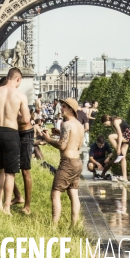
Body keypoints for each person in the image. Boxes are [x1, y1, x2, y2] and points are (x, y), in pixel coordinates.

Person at [0, 67, 31, 215]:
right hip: (11, 133)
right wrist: (14, 119)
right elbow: (26, 119)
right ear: (17, 79)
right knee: (11, 173)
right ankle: (6, 207)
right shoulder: (20, 96)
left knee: (1, 171)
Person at [42, 97, 84, 226]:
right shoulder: (79, 125)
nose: (61, 108)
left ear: (71, 109)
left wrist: (48, 139)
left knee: (55, 193)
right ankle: (74, 225)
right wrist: (60, 134)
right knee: (73, 193)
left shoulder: (66, 124)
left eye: (64, 106)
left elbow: (62, 146)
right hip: (77, 162)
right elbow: (78, 145)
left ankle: (53, 226)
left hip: (67, 163)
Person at [101, 114, 130, 182]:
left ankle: (120, 153)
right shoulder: (113, 124)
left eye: (105, 123)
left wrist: (118, 148)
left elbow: (119, 134)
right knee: (123, 158)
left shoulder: (115, 121)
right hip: (125, 136)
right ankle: (125, 177)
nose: (106, 125)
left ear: (107, 120)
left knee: (110, 136)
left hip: (127, 136)